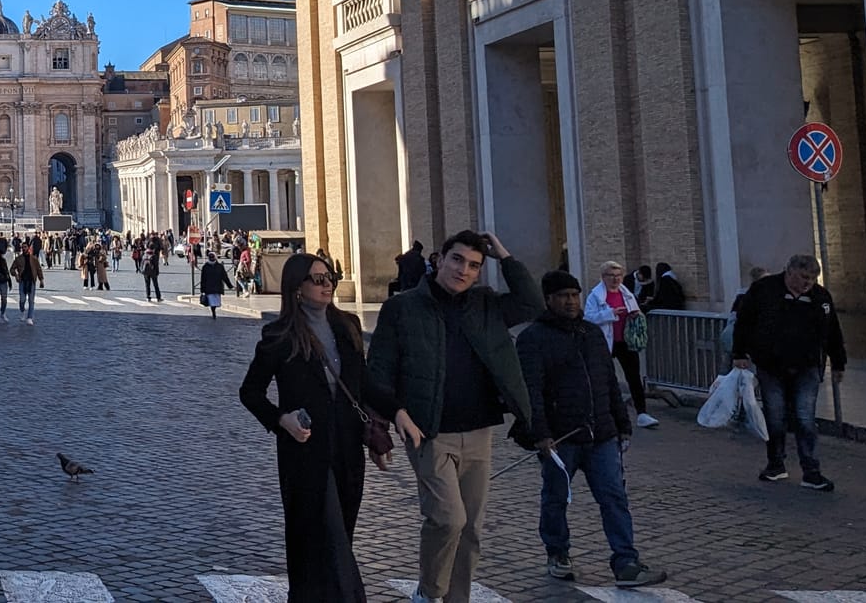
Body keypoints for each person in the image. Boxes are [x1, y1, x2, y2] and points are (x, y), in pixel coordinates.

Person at [368, 230, 539, 603]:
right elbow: (378, 371)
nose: (464, 270)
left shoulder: (486, 305)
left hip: (479, 431)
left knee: (471, 528)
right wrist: (393, 414)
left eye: (474, 265)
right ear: (439, 259)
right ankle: (429, 593)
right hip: (427, 430)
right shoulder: (403, 307)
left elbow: (531, 303)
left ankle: (457, 598)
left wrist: (504, 255)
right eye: (457, 260)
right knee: (448, 519)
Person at [240, 253, 389, 603]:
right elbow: (250, 391)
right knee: (320, 535)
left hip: (347, 448)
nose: (327, 285)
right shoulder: (278, 336)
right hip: (304, 451)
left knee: (343, 531)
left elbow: (363, 385)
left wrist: (397, 414)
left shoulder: (348, 325)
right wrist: (281, 420)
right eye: (317, 279)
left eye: (329, 278)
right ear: (297, 288)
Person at [515, 270, 667, 587]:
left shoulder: (592, 333)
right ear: (548, 299)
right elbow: (531, 391)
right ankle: (558, 553)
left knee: (614, 497)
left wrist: (622, 423)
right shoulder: (533, 338)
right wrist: (540, 434)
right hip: (560, 438)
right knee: (556, 498)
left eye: (575, 295)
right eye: (563, 296)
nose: (571, 301)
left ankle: (626, 561)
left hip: (602, 434)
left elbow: (608, 381)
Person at [731, 254, 847, 490]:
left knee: (805, 417)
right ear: (789, 272)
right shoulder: (764, 290)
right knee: (775, 415)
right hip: (771, 365)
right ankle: (776, 464)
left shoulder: (820, 297)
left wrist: (838, 363)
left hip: (807, 366)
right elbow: (744, 322)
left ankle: (811, 470)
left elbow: (832, 330)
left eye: (813, 279)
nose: (808, 283)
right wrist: (739, 353)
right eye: (804, 277)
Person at [583, 261, 658, 429]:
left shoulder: (627, 294)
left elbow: (635, 310)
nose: (616, 279)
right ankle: (601, 413)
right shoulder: (595, 296)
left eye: (619, 276)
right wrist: (610, 314)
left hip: (625, 341)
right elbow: (588, 318)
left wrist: (635, 315)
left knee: (634, 377)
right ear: (603, 277)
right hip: (605, 342)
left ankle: (642, 413)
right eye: (612, 276)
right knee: (603, 377)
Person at [11, 243, 42, 326]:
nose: (24, 248)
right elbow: (12, 269)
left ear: (28, 248)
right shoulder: (18, 259)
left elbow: (39, 269)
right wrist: (16, 275)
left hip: (31, 281)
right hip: (22, 281)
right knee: (22, 299)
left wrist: (41, 280)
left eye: (25, 247)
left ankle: (29, 317)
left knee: (31, 300)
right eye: (22, 247)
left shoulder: (34, 259)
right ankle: (22, 310)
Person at [201, 252, 228, 318]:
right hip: (209, 287)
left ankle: (213, 310)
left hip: (217, 287)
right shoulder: (205, 267)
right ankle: (213, 312)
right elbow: (203, 278)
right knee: (212, 302)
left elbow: (224, 276)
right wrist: (202, 289)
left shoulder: (219, 266)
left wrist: (229, 285)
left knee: (216, 302)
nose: (212, 258)